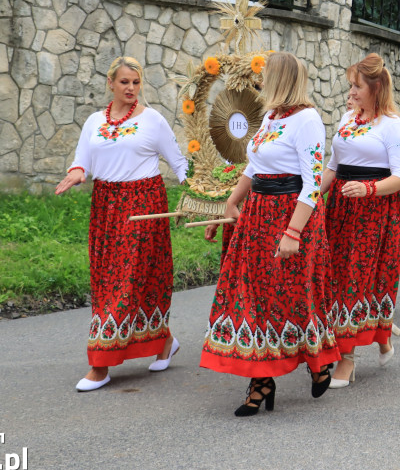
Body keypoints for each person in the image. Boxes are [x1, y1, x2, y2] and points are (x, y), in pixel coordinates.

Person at [200, 52, 338, 415]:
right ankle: (261, 381)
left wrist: (293, 232)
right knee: (253, 296)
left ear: (282, 79)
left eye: (266, 76)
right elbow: (255, 165)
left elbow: (312, 184)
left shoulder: (307, 119)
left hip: (291, 214)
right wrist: (230, 204)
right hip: (258, 215)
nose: (259, 82)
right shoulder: (273, 116)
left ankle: (318, 360)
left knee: (293, 294)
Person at [57, 56, 187, 392]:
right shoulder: (93, 122)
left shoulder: (153, 120)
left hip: (143, 205)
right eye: (124, 82)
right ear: (111, 84)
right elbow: (81, 161)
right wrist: (75, 173)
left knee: (126, 280)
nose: (131, 88)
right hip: (106, 206)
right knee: (109, 278)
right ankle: (163, 341)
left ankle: (100, 365)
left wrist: (210, 193)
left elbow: (179, 164)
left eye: (136, 82)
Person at [322, 53, 400, 387]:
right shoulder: (347, 119)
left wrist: (370, 189)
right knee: (338, 276)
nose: (352, 92)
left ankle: (347, 358)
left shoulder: (393, 126)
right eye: (351, 86)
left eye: (356, 86)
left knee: (357, 278)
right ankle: (381, 334)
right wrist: (313, 195)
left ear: (375, 88)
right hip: (340, 207)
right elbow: (333, 166)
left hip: (375, 211)